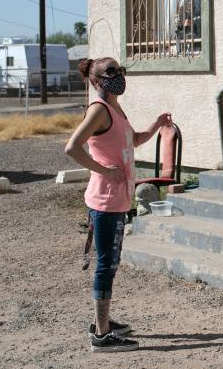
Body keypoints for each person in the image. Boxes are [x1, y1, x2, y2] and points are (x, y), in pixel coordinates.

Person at [64, 57, 172, 353]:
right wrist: (102, 170)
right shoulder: (99, 110)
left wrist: (157, 125)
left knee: (110, 265)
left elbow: (133, 140)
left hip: (118, 199)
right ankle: (101, 335)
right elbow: (72, 147)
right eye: (111, 72)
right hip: (106, 201)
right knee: (106, 266)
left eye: (120, 70)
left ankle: (105, 323)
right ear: (96, 80)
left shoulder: (114, 107)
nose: (118, 76)